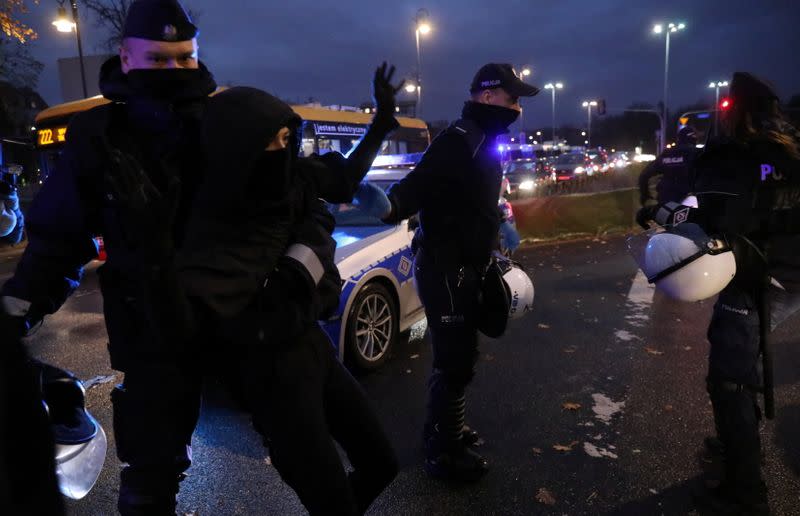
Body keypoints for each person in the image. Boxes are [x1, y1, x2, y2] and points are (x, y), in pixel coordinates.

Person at [355, 63, 539, 481]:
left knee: (463, 357)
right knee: (454, 361)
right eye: (513, 98)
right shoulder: (459, 140)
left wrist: (500, 219)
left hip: (467, 265)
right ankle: (443, 450)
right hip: (445, 269)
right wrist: (386, 205)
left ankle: (447, 429)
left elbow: (473, 197)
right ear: (489, 96)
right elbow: (414, 190)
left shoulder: (484, 139)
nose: (517, 107)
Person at [640, 72, 800, 515]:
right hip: (785, 274)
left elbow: (708, 225)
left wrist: (657, 212)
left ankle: (745, 489)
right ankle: (736, 437)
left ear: (735, 113)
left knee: (728, 376)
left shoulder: (733, 157)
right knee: (739, 359)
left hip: (757, 278)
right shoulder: (787, 153)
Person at [636, 125, 700, 228]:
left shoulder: (667, 154)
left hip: (666, 203)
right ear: (694, 138)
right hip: (690, 200)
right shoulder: (696, 154)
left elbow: (644, 175)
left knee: (669, 230)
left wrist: (645, 195)